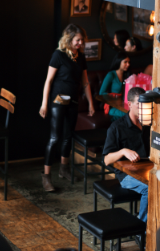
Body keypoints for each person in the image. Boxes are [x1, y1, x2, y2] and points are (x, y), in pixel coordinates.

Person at [39, 24, 95, 192]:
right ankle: (46, 176)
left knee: (67, 137)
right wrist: (44, 104)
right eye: (78, 40)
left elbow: (85, 82)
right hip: (57, 100)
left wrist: (91, 103)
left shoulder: (81, 57)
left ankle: (64, 169)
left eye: (82, 40)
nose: (80, 43)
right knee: (55, 138)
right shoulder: (58, 55)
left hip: (74, 101)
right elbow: (48, 81)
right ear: (69, 39)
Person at [103, 87, 149, 244]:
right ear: (130, 104)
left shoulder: (149, 123)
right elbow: (107, 160)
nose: (143, 107)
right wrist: (123, 151)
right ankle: (141, 229)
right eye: (139, 104)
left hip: (148, 168)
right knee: (150, 188)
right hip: (127, 175)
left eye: (145, 103)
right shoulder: (117, 127)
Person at [99, 51, 130, 122]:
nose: (128, 64)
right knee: (129, 114)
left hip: (125, 106)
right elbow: (101, 93)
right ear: (119, 61)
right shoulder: (111, 75)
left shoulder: (128, 75)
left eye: (129, 62)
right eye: (125, 62)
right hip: (113, 107)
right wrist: (114, 96)